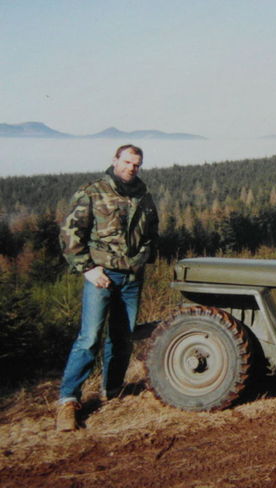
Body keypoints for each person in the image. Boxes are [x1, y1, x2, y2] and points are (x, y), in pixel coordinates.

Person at [56, 144, 158, 432]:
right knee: (89, 338)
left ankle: (112, 391)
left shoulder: (143, 195)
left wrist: (142, 259)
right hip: (101, 274)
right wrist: (87, 269)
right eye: (126, 162)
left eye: (136, 164)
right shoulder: (93, 191)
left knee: (122, 337)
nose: (131, 168)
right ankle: (68, 400)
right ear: (115, 161)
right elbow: (70, 233)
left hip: (131, 277)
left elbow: (151, 233)